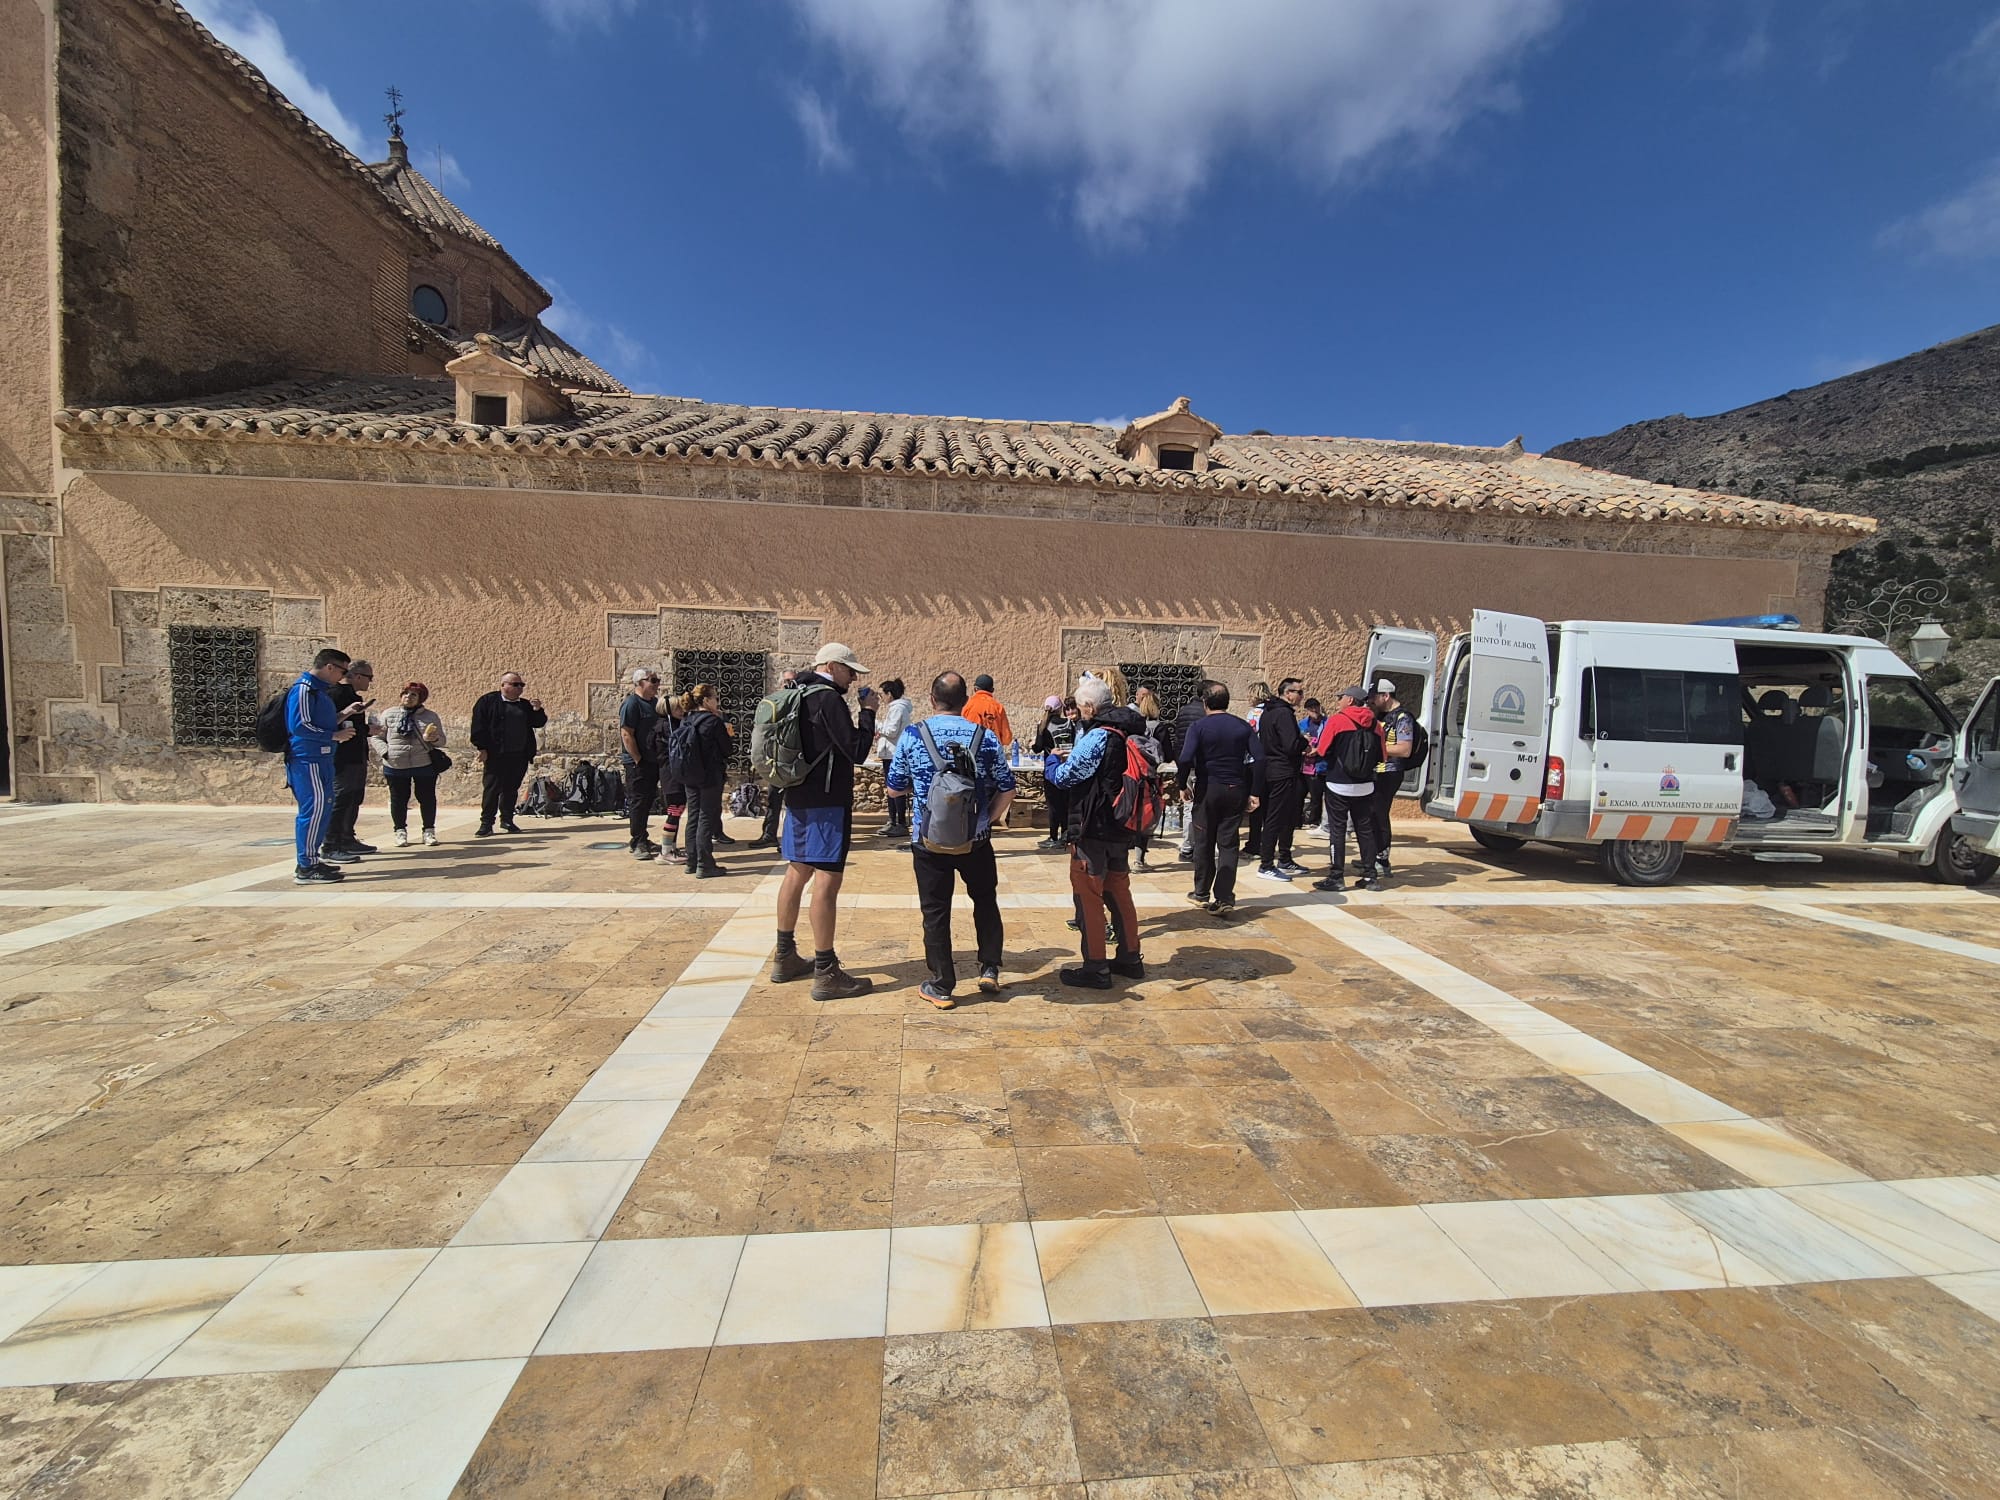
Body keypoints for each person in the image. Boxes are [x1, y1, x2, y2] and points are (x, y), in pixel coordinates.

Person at [885, 671, 1017, 1009]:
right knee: (985, 900)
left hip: (929, 840)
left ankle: (942, 984)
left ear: (932, 700)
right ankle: (989, 968)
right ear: (965, 701)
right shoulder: (985, 737)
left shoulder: (914, 735)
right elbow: (1007, 788)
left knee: (935, 910)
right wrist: (987, 819)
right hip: (976, 839)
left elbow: (894, 788)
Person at [771, 643, 878, 1001]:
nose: (853, 678)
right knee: (827, 882)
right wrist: (868, 713)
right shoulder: (828, 699)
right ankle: (826, 971)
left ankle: (784, 955)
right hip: (828, 803)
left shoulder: (797, 692)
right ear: (831, 666)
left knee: (797, 870)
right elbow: (856, 750)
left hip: (797, 798)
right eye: (849, 671)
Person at [1046, 675, 1145, 988]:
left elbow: (1067, 777)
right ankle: (1130, 958)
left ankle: (1096, 967)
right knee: (1119, 892)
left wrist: (1052, 763)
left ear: (1089, 706)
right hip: (1121, 824)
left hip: (1092, 827)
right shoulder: (1130, 728)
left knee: (1088, 894)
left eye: (1079, 707)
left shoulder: (1099, 734)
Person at [1179, 681, 1255, 915]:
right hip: (1235, 788)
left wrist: (1182, 785)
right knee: (1228, 844)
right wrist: (1255, 792)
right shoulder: (1242, 726)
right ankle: (1224, 897)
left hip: (1208, 789)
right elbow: (1260, 759)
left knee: (1204, 841)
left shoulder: (1199, 726)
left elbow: (1185, 758)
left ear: (1205, 703)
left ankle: (1201, 893)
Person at [285, 647, 358, 885]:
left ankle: (312, 860)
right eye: (342, 671)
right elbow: (300, 726)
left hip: (322, 759)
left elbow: (321, 722)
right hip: (308, 760)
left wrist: (344, 714)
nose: (343, 677)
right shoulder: (304, 690)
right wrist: (334, 736)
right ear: (329, 667)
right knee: (313, 811)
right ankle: (306, 866)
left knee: (322, 810)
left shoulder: (320, 692)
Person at [1313, 686, 1383, 893]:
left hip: (1338, 783)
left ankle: (1336, 876)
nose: (1338, 701)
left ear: (1350, 700)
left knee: (1338, 830)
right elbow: (1383, 755)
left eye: (1341, 698)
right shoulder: (1376, 724)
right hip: (1366, 785)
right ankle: (1370, 876)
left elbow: (1323, 750)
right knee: (1365, 830)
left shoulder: (1337, 720)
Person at [469, 671, 546, 836]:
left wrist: (537, 709)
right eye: (515, 684)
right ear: (503, 685)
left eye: (521, 685)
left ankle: (507, 820)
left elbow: (538, 722)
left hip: (519, 754)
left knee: (511, 789)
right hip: (495, 755)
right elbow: (478, 726)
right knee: (492, 789)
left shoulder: (524, 705)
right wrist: (481, 748)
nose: (519, 688)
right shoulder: (488, 701)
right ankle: (486, 823)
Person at [1253, 677, 1309, 881]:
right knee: (1275, 818)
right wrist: (1304, 742)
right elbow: (1290, 745)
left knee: (1288, 816)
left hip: (1273, 769)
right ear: (1287, 693)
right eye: (1298, 692)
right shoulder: (1283, 714)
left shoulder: (1269, 711)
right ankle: (1266, 864)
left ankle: (1285, 858)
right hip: (1282, 771)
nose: (1301, 696)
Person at [378, 681, 446, 846]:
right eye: (405, 693)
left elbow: (442, 741)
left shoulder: (430, 716)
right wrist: (385, 752)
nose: (408, 697)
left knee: (427, 798)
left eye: (413, 694)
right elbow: (376, 737)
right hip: (395, 764)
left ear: (420, 698)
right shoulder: (389, 714)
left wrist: (434, 738)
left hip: (423, 763)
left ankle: (428, 831)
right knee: (398, 799)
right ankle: (400, 831)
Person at [677, 682, 734, 877]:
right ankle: (705, 864)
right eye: (715, 698)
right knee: (706, 817)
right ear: (707, 700)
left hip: (690, 774)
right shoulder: (713, 722)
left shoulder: (687, 719)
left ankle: (691, 861)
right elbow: (727, 749)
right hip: (710, 775)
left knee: (693, 816)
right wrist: (727, 732)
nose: (717, 701)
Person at [322, 658, 376, 861]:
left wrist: (366, 730)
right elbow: (329, 724)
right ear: (358, 676)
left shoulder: (352, 696)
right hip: (342, 756)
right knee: (341, 799)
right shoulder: (336, 695)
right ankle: (330, 845)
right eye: (369, 677)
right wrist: (367, 729)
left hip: (355, 754)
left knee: (353, 798)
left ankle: (346, 838)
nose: (370, 682)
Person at [1368, 679, 1416, 879]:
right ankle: (1370, 855)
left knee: (1380, 814)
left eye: (1374, 697)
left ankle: (1382, 859)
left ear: (1385, 696)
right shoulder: (1382, 716)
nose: (1372, 701)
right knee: (1371, 814)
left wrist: (1375, 748)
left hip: (1389, 772)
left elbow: (1405, 749)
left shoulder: (1403, 717)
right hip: (1376, 771)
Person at [1164, 681, 1213, 859]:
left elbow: (1179, 737)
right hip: (1202, 765)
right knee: (1203, 808)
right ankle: (1200, 846)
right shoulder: (1207, 713)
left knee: (1188, 807)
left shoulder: (1184, 710)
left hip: (1186, 764)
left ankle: (1186, 847)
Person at [619, 667, 664, 860]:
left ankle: (642, 837)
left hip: (653, 760)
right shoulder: (632, 704)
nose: (656, 684)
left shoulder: (654, 703)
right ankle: (637, 842)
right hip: (638, 763)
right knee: (638, 801)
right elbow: (626, 733)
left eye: (657, 680)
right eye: (652, 680)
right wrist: (637, 758)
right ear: (639, 683)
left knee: (647, 801)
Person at [751, 669, 797, 849]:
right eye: (786, 681)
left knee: (794, 802)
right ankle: (769, 834)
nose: (788, 684)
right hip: (776, 760)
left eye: (792, 681)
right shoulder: (775, 703)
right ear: (780, 683)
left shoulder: (800, 702)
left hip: (794, 760)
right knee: (773, 799)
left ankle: (790, 839)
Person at [1031, 695, 1080, 851]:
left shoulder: (1043, 725)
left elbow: (1038, 748)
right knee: (1065, 803)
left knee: (1053, 805)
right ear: (1061, 709)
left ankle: (1053, 837)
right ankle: (1065, 835)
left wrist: (1033, 744)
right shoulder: (1069, 723)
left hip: (1051, 768)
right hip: (1067, 768)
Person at [873, 678, 913, 838]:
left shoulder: (898, 709)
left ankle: (900, 823)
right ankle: (893, 821)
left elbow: (891, 731)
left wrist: (876, 724)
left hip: (894, 754)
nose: (881, 698)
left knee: (896, 789)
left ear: (889, 694)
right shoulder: (896, 708)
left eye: (881, 694)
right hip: (890, 753)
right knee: (892, 788)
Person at [963, 674, 1014, 754]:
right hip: (992, 754)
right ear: (992, 690)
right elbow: (1006, 738)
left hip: (971, 754)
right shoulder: (998, 707)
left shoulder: (967, 706)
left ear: (975, 689)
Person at [1299, 697, 1328, 834]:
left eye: (1316, 707)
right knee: (1298, 794)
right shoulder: (1302, 724)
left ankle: (1314, 821)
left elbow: (1330, 742)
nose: (1314, 710)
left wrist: (1318, 750)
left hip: (1319, 764)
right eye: (1311, 708)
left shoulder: (1327, 723)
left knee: (1316, 796)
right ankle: (1297, 820)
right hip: (1303, 765)